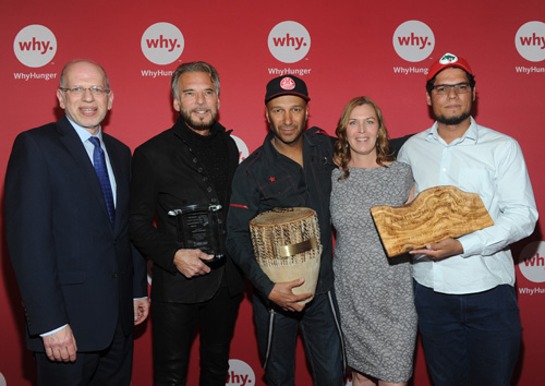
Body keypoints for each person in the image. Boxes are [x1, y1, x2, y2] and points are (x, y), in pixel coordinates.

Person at [4, 59, 150, 386]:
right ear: (60, 96)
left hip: (118, 324)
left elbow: (126, 230)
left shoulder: (121, 153)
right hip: (65, 326)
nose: (88, 98)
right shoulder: (35, 146)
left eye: (97, 89)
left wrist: (138, 289)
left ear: (110, 99)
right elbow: (28, 245)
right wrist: (50, 324)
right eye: (77, 89)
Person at [397, 52, 538, 386]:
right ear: (429, 97)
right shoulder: (411, 150)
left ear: (474, 94)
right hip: (430, 294)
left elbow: (523, 216)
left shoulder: (502, 147)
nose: (452, 95)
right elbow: (404, 215)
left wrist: (462, 245)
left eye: (461, 87)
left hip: (489, 293)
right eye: (443, 88)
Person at [129, 61, 244, 386]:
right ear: (177, 103)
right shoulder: (151, 153)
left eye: (207, 92)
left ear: (218, 100)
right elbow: (136, 223)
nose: (200, 101)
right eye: (190, 93)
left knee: (216, 369)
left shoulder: (229, 146)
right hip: (177, 285)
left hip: (227, 283)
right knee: (170, 376)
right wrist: (174, 255)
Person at [225, 74, 345, 386]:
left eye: (295, 109)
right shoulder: (251, 171)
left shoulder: (326, 149)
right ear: (266, 114)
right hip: (275, 294)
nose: (288, 119)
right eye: (278, 110)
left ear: (307, 112)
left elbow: (372, 152)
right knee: (279, 378)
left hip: (323, 288)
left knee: (333, 377)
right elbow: (235, 236)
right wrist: (268, 288)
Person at [330, 96, 416, 386]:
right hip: (350, 297)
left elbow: (418, 229)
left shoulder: (402, 174)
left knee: (396, 378)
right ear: (343, 131)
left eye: (369, 121)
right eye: (353, 123)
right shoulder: (333, 179)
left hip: (395, 299)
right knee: (359, 378)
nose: (362, 130)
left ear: (380, 129)